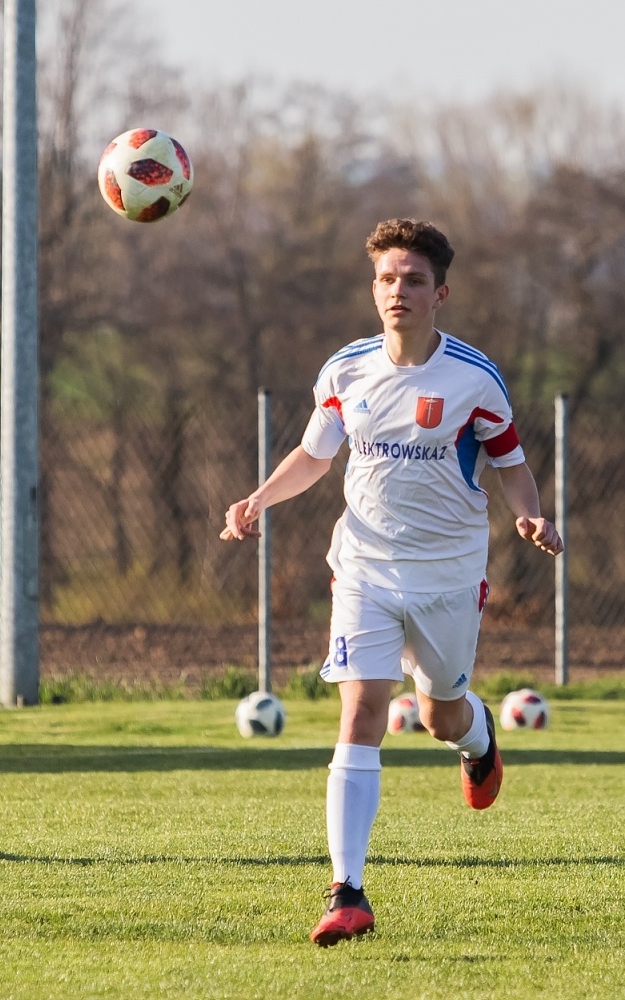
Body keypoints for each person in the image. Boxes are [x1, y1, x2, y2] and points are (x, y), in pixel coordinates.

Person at [221, 220, 562, 946]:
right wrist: (259, 500)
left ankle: (480, 740)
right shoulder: (346, 369)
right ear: (373, 289)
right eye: (385, 278)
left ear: (440, 293)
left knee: (438, 716)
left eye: (412, 280)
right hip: (364, 569)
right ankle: (348, 891)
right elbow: (315, 457)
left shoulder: (475, 378)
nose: (397, 291)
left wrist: (531, 517)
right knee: (361, 713)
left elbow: (510, 463)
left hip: (449, 576)